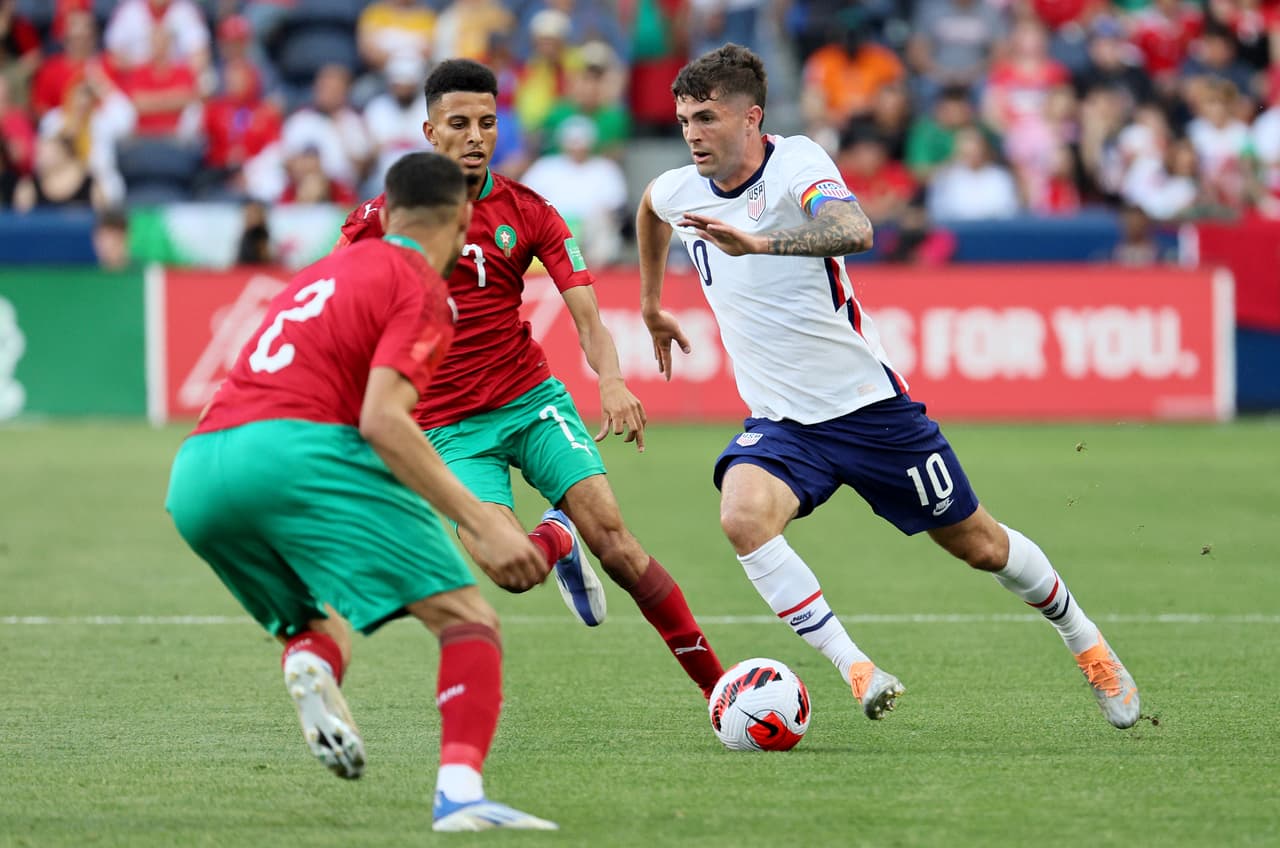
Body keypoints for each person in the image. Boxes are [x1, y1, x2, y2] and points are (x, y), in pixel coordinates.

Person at [635, 44, 1142, 730]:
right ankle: (856, 667)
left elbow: (855, 228)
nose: (693, 133)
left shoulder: (798, 163)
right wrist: (650, 304)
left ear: (751, 118)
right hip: (783, 424)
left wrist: (760, 243)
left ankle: (1086, 642)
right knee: (742, 518)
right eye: (684, 119)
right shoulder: (680, 189)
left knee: (981, 545)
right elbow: (648, 208)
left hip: (870, 412)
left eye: (707, 117)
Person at [165, 151, 557, 832]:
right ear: (463, 219)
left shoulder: (321, 270)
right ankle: (460, 796)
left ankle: (312, 666)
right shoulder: (423, 288)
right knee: (469, 621)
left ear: (388, 209)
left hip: (198, 471)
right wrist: (480, 521)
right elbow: (382, 418)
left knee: (313, 621)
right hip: (297, 453)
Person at [336, 59, 726, 700]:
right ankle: (558, 538)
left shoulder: (530, 209)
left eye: (487, 123)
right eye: (458, 124)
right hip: (449, 429)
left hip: (530, 401)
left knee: (620, 546)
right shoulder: (378, 220)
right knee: (511, 569)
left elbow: (586, 314)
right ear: (429, 130)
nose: (475, 137)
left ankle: (720, 692)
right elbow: (336, 311)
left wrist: (610, 379)